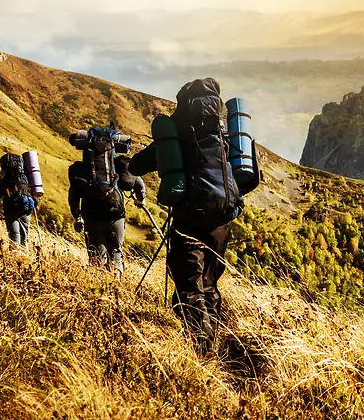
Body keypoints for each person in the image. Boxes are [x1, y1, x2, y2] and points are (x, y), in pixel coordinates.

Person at [130, 78, 258, 353]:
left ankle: (201, 351)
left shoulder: (178, 131)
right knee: (210, 284)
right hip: (223, 219)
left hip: (189, 218)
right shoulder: (225, 131)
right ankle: (213, 341)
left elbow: (138, 165)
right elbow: (248, 175)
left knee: (188, 286)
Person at [68, 126, 146, 276]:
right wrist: (140, 200)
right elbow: (138, 183)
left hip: (91, 214)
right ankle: (116, 286)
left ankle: (99, 289)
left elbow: (74, 193)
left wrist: (76, 214)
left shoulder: (82, 167)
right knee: (116, 252)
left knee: (97, 257)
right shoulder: (119, 164)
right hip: (115, 213)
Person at [0, 153, 36, 250]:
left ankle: (15, 260)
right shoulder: (25, 177)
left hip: (12, 212)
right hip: (26, 211)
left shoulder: (5, 180)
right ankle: (25, 260)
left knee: (14, 237)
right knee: (24, 239)